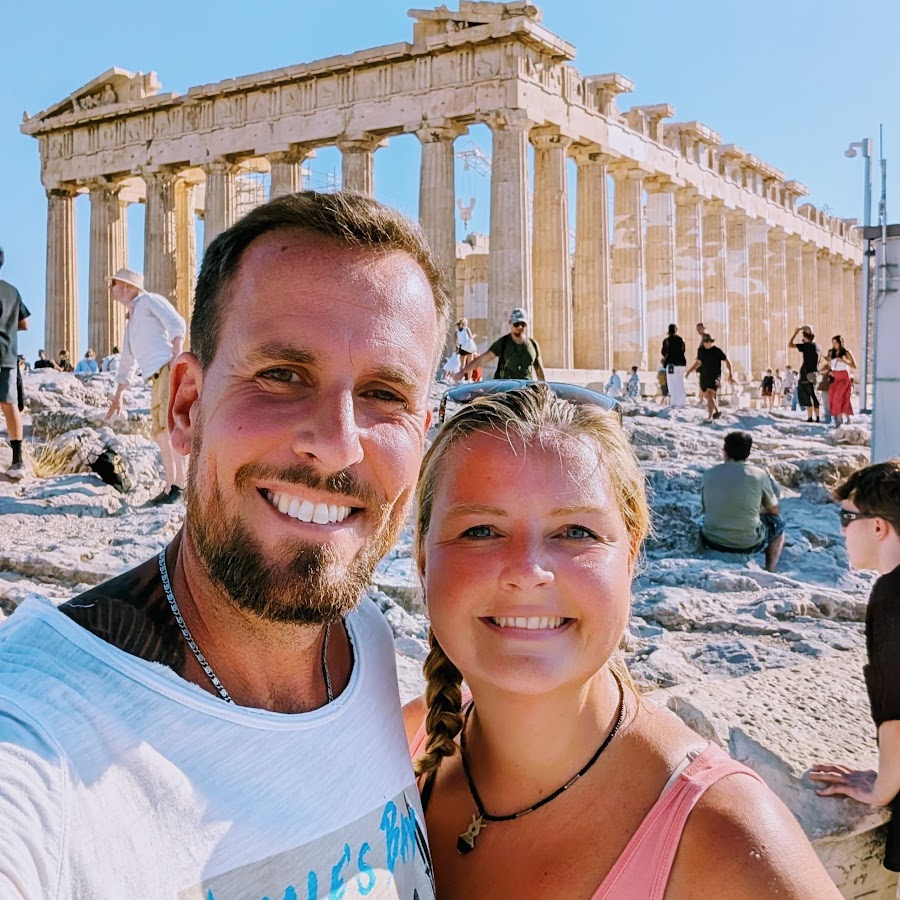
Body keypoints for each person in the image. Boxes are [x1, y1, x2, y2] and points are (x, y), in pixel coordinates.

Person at [0, 191, 446, 896]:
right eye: (281, 375)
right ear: (185, 406)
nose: (336, 445)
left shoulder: (370, 646)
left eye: (385, 393)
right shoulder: (35, 736)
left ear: (423, 434)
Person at [403, 384, 840, 899]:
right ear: (424, 561)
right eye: (480, 531)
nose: (528, 571)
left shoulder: (729, 841)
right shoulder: (401, 744)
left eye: (576, 531)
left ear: (630, 558)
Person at [810, 460, 900, 883]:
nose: (843, 531)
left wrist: (882, 786)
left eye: (847, 518)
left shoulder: (891, 597)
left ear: (878, 527)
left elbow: (896, 710)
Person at [105, 267, 188, 505]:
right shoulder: (131, 321)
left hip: (167, 370)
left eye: (114, 283)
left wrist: (176, 357)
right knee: (160, 432)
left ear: (127, 287)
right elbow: (127, 361)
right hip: (155, 377)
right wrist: (118, 395)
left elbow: (177, 323)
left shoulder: (149, 300)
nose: (110, 288)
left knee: (171, 428)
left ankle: (181, 485)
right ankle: (170, 485)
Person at [699, 431, 786, 572]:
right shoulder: (758, 474)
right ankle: (770, 569)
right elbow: (774, 510)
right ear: (748, 453)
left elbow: (705, 507)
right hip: (747, 544)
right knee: (778, 523)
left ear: (725, 452)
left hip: (711, 539)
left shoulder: (709, 473)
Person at [0, 247, 31, 479]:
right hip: (8, 357)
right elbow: (25, 324)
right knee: (10, 405)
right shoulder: (12, 291)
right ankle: (18, 461)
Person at [454, 307, 545, 382]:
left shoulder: (533, 344)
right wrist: (463, 371)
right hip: (505, 389)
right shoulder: (503, 343)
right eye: (517, 324)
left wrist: (545, 388)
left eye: (523, 324)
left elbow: (539, 370)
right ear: (510, 323)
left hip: (525, 390)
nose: (520, 327)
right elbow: (482, 359)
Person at [686, 334, 734, 422]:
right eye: (704, 342)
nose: (706, 343)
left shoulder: (717, 351)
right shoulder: (701, 350)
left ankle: (710, 416)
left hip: (715, 376)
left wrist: (731, 374)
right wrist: (689, 371)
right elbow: (698, 363)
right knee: (707, 396)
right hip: (704, 376)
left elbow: (727, 362)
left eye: (708, 341)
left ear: (711, 342)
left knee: (710, 394)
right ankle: (717, 411)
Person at [789, 325, 820, 422]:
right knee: (814, 395)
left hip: (805, 374)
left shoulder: (806, 346)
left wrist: (795, 333)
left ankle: (810, 417)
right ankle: (817, 417)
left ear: (805, 337)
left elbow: (790, 344)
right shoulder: (817, 347)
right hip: (814, 374)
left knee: (806, 396)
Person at [827, 334, 857, 427]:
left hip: (844, 376)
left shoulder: (846, 352)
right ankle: (840, 419)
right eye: (833, 343)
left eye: (836, 343)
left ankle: (844, 420)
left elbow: (854, 366)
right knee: (833, 397)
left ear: (840, 343)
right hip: (836, 376)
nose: (834, 345)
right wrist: (830, 371)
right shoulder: (832, 352)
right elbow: (830, 365)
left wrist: (844, 361)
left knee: (840, 397)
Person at [661, 323, 687, 407]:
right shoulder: (681, 340)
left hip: (671, 364)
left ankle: (674, 402)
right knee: (680, 382)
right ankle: (682, 402)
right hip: (681, 364)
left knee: (672, 383)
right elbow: (683, 350)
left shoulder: (666, 341)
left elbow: (664, 352)